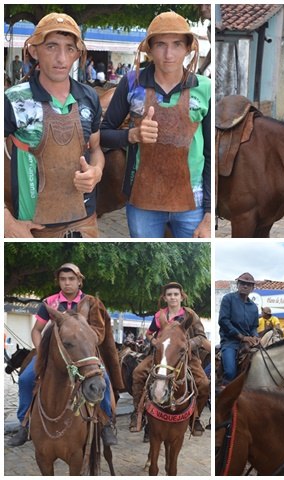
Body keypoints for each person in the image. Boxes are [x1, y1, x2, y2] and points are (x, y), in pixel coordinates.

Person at [101, 11, 211, 238]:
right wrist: (133, 135)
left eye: (177, 44)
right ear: (149, 48)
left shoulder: (205, 88)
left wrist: (209, 212)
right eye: (160, 44)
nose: (168, 54)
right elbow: (103, 134)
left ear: (188, 48)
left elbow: (211, 154)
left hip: (193, 199)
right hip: (143, 198)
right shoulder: (132, 82)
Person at [4, 13, 105, 238]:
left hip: (86, 222)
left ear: (77, 53)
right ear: (33, 50)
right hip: (33, 227)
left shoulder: (89, 97)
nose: (61, 58)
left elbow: (96, 148)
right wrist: (5, 218)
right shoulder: (13, 100)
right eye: (51, 46)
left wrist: (96, 171)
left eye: (69, 48)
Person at [7, 263, 120, 447]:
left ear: (79, 281)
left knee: (104, 380)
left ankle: (106, 423)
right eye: (63, 279)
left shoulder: (91, 303)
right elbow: (37, 330)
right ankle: (25, 424)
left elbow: (99, 333)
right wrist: (41, 350)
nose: (67, 283)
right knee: (25, 379)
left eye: (71, 279)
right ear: (58, 281)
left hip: (84, 353)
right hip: (53, 353)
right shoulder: (49, 302)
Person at [129, 282, 210, 436]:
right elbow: (149, 333)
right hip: (160, 355)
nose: (172, 297)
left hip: (184, 355)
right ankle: (137, 412)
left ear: (182, 296)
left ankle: (196, 417)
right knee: (138, 373)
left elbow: (201, 337)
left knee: (204, 384)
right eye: (169, 295)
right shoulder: (159, 315)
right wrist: (153, 342)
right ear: (165, 298)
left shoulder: (190, 314)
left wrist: (187, 345)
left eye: (175, 294)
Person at [217, 273, 260, 385]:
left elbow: (254, 327)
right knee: (230, 372)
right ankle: (224, 395)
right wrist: (242, 337)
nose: (245, 286)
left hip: (249, 343)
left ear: (252, 288)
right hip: (230, 342)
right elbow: (223, 321)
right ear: (237, 284)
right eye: (242, 283)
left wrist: (255, 336)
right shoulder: (228, 299)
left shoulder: (254, 307)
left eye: (248, 284)